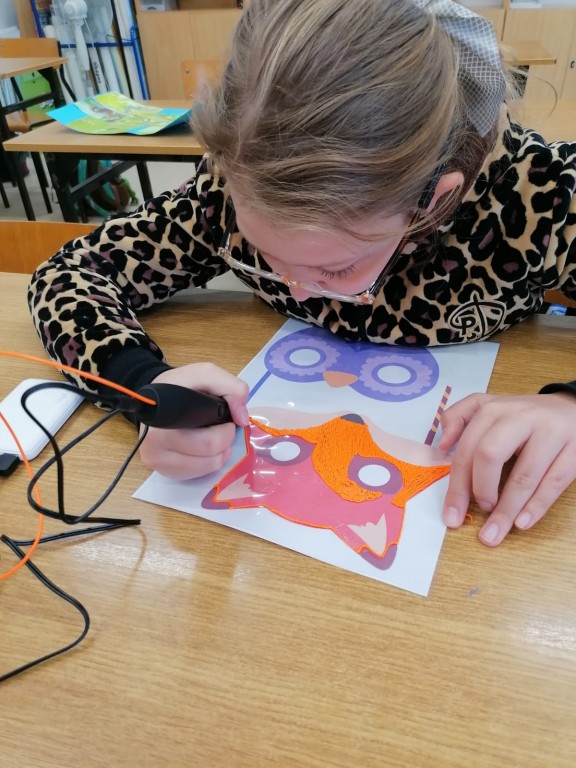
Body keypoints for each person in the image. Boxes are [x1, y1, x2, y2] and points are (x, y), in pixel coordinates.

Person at [28, 0, 576, 548]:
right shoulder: (222, 194)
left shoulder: (543, 195)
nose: (293, 288)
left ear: (434, 202)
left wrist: (567, 405)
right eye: (261, 254)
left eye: (334, 268)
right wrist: (143, 386)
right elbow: (67, 275)